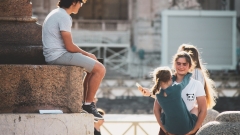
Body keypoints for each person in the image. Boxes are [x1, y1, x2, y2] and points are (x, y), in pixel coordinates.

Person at [42, 0, 105, 120]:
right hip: (58, 56)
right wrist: (88, 54)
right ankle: (88, 105)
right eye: (81, 3)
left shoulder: (56, 13)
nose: (81, 6)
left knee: (92, 70)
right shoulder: (64, 17)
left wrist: (87, 56)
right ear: (74, 2)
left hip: (54, 55)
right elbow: (69, 46)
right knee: (100, 69)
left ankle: (86, 102)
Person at [138, 51, 207, 134]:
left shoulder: (196, 84)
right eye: (178, 63)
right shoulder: (165, 83)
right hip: (168, 130)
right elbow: (156, 109)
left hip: (188, 128)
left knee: (195, 108)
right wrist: (165, 130)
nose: (181, 66)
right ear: (174, 64)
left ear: (190, 66)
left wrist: (193, 130)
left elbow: (203, 110)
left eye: (184, 64)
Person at [150, 66, 198, 135]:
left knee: (164, 110)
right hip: (186, 128)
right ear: (170, 78)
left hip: (169, 129)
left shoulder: (157, 94)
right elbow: (185, 81)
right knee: (195, 108)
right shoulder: (177, 88)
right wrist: (189, 74)